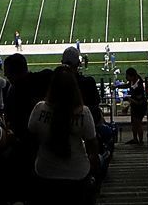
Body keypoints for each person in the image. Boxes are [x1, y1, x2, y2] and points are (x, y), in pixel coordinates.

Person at [27, 67, 98, 205]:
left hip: (45, 173)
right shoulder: (84, 112)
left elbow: (30, 141)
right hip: (78, 174)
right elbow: (92, 146)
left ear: (51, 87)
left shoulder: (39, 109)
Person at [125, 68, 148, 144]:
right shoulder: (133, 81)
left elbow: (139, 102)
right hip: (135, 106)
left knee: (138, 123)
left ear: (132, 76)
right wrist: (117, 87)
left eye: (127, 76)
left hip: (140, 107)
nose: (126, 77)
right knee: (134, 123)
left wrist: (129, 99)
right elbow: (128, 85)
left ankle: (141, 141)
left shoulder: (139, 86)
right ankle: (135, 139)